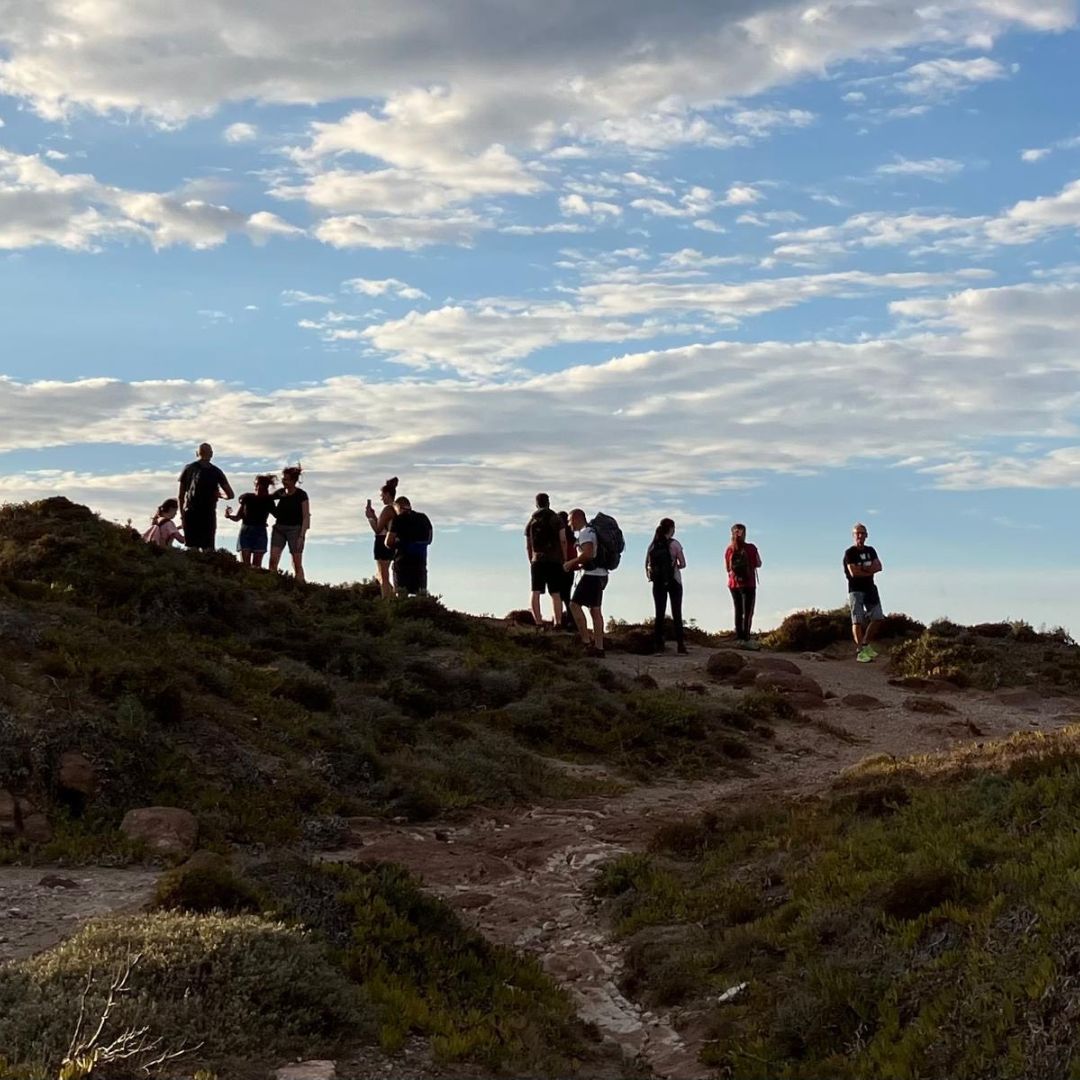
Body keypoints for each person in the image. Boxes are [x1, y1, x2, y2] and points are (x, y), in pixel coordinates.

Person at [564, 508, 607, 657]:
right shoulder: (593, 532)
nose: (570, 525)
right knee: (595, 610)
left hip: (591, 575)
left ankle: (587, 643)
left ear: (576, 518)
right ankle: (599, 648)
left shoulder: (585, 533)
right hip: (601, 574)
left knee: (574, 605)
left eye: (570, 521)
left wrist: (571, 563)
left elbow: (588, 554)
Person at [177, 443, 233, 552]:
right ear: (211, 454)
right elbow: (230, 495)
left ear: (197, 453)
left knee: (192, 548)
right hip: (208, 513)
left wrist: (182, 514)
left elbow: (181, 495)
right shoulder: (216, 471)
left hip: (191, 512)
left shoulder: (188, 468)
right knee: (208, 549)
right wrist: (221, 495)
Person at [525, 493, 567, 628]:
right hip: (554, 559)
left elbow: (528, 544)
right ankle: (558, 622)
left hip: (537, 559)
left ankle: (538, 621)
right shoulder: (556, 519)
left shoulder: (532, 521)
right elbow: (563, 540)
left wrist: (531, 559)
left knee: (535, 591)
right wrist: (564, 558)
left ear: (536, 504)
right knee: (555, 593)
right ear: (548, 502)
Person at [646, 518, 687, 654]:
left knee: (659, 614)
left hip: (658, 583)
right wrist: (674, 566)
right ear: (671, 529)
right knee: (677, 613)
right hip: (674, 581)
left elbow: (647, 565)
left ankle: (659, 646)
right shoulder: (675, 544)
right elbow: (683, 563)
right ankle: (680, 646)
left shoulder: (652, 545)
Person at [845, 522, 884, 662]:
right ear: (853, 536)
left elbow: (879, 566)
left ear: (866, 535)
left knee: (878, 617)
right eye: (857, 533)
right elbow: (853, 572)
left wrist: (864, 571)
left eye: (862, 533)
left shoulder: (871, 550)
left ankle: (865, 644)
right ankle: (860, 651)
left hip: (870, 588)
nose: (860, 536)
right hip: (856, 590)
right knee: (857, 620)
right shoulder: (850, 553)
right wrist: (869, 570)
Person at [225, 474, 277, 568]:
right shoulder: (247, 498)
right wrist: (228, 516)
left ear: (265, 487)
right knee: (245, 565)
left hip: (260, 531)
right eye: (256, 485)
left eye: (260, 486)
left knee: (256, 566)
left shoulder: (268, 501)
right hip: (246, 530)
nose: (257, 488)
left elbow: (278, 515)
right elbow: (238, 517)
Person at [269, 465, 309, 583]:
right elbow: (267, 500)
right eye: (283, 478)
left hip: (295, 530)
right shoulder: (280, 493)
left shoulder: (301, 494)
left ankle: (300, 585)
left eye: (286, 479)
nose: (284, 481)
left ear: (293, 481)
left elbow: (306, 516)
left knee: (297, 561)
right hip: (279, 528)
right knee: (273, 559)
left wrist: (302, 536)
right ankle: (272, 583)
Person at [386, 496, 433, 596]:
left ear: (398, 507)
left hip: (402, 563)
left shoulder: (398, 520)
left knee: (401, 595)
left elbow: (388, 542)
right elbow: (429, 539)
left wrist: (399, 543)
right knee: (420, 595)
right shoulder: (423, 518)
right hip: (420, 562)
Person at [725, 523, 762, 647]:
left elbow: (727, 568)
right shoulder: (751, 548)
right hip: (749, 583)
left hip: (734, 583)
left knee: (738, 609)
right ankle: (746, 636)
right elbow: (759, 563)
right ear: (745, 534)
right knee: (748, 611)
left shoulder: (729, 549)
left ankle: (738, 635)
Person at [364, 477, 399, 598]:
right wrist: (374, 516)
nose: (381, 497)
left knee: (383, 575)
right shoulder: (395, 509)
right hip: (391, 542)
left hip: (382, 542)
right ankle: (392, 598)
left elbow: (377, 529)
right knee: (383, 574)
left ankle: (387, 600)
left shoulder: (388, 509)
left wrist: (369, 517)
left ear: (387, 494)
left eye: (382, 495)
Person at [557, 510, 577, 628]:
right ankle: (571, 620)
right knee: (567, 596)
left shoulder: (560, 538)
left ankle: (561, 620)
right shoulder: (572, 538)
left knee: (559, 595)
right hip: (571, 569)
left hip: (560, 567)